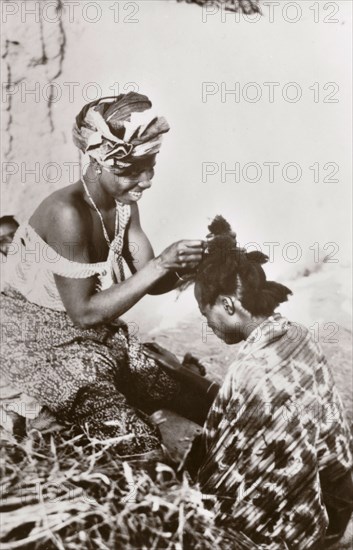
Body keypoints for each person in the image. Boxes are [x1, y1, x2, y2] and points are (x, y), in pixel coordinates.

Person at [0, 92, 209, 462]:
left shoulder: (121, 204)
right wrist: (162, 264)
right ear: (97, 164)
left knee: (200, 397)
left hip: (90, 334)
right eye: (131, 170)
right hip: (36, 344)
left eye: (151, 164)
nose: (145, 180)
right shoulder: (67, 214)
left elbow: (152, 279)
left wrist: (189, 266)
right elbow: (84, 313)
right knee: (137, 446)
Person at [183, 216, 353, 549]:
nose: (210, 327)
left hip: (313, 522)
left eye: (207, 316)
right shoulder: (296, 333)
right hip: (341, 494)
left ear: (228, 305)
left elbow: (226, 484)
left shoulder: (252, 372)